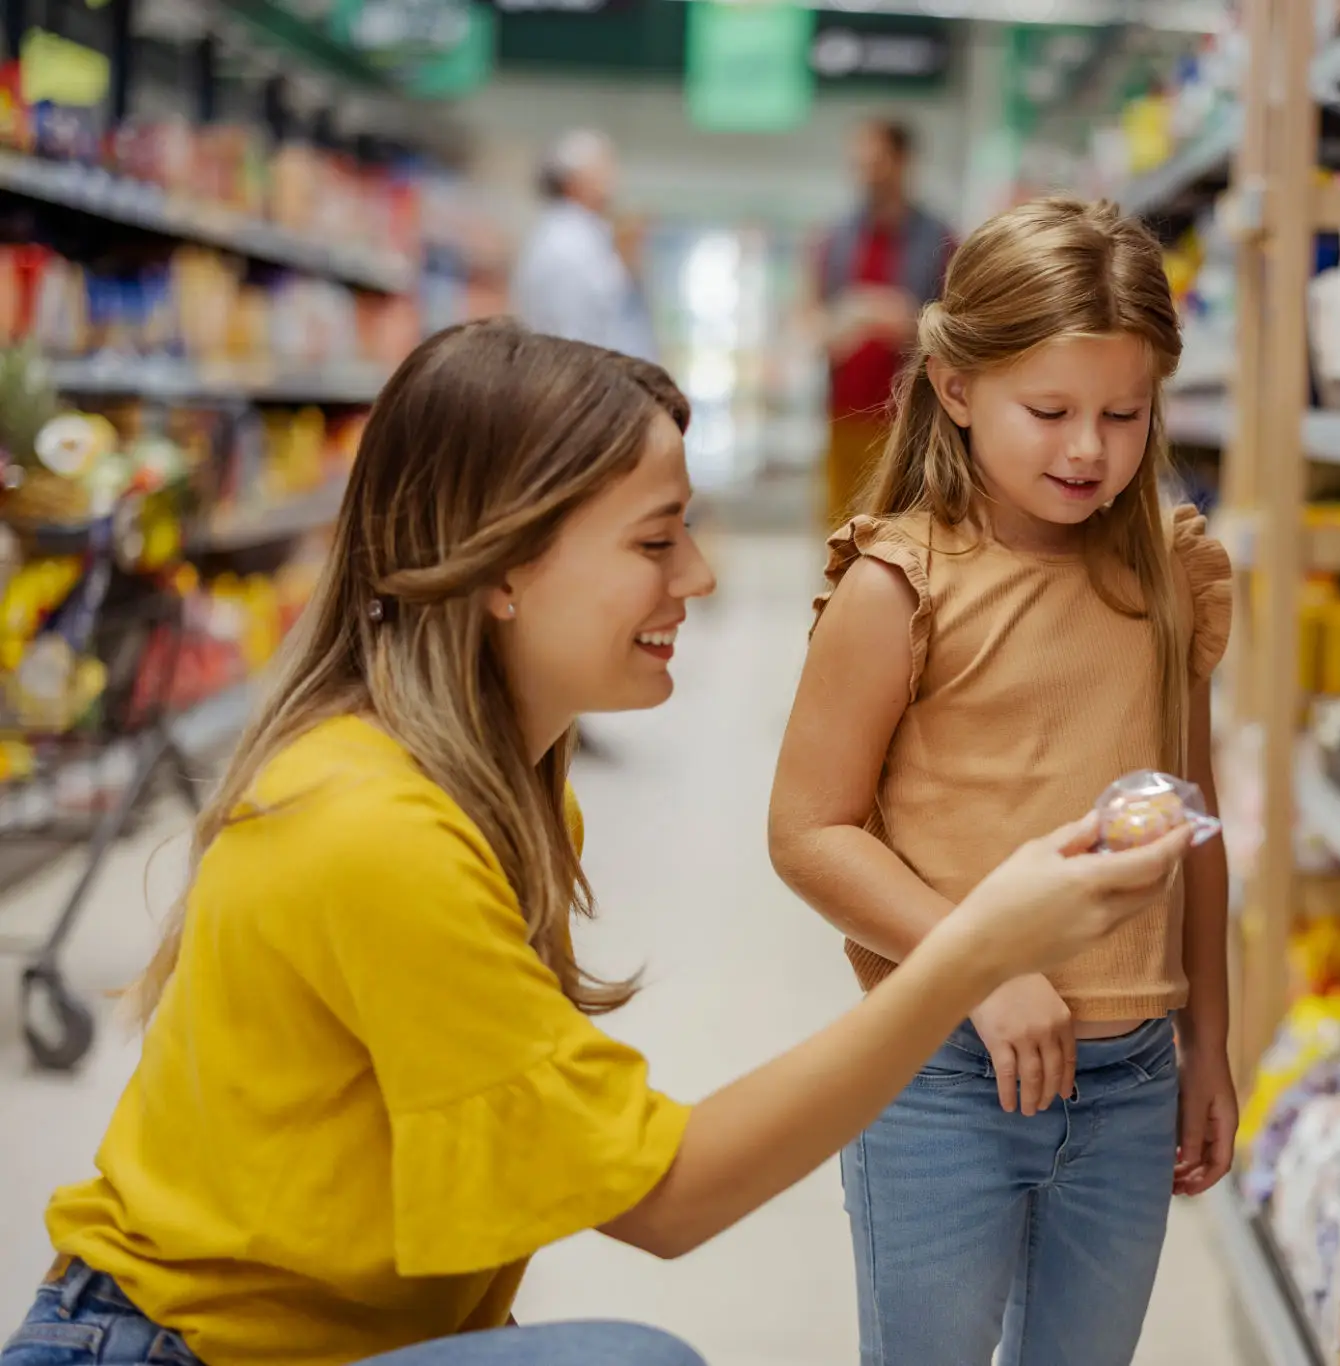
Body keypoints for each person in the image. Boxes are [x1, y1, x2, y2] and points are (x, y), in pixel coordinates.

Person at [1, 320, 1193, 1366]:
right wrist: (974, 951)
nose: (702, 576)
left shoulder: (499, 791)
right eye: (654, 540)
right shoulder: (368, 831)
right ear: (506, 563)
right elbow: (665, 1197)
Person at [769, 198, 1236, 1366]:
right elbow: (808, 831)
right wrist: (981, 962)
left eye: (1123, 415)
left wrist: (1211, 1040)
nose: (1089, 449)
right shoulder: (900, 585)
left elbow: (1193, 828)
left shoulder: (1168, 574)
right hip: (940, 1075)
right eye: (1050, 411)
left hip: (1130, 1079)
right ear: (954, 384)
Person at [812, 118, 954, 529]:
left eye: (876, 162)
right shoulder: (836, 239)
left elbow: (959, 325)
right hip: (843, 415)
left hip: (908, 420)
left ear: (903, 162)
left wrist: (904, 321)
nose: (866, 174)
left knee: (901, 527)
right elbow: (811, 317)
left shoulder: (939, 240)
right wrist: (832, 326)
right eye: (858, 164)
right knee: (839, 529)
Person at [511, 130, 659, 363]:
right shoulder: (564, 241)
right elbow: (571, 332)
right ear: (573, 180)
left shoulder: (589, 233)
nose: (611, 179)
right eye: (601, 170)